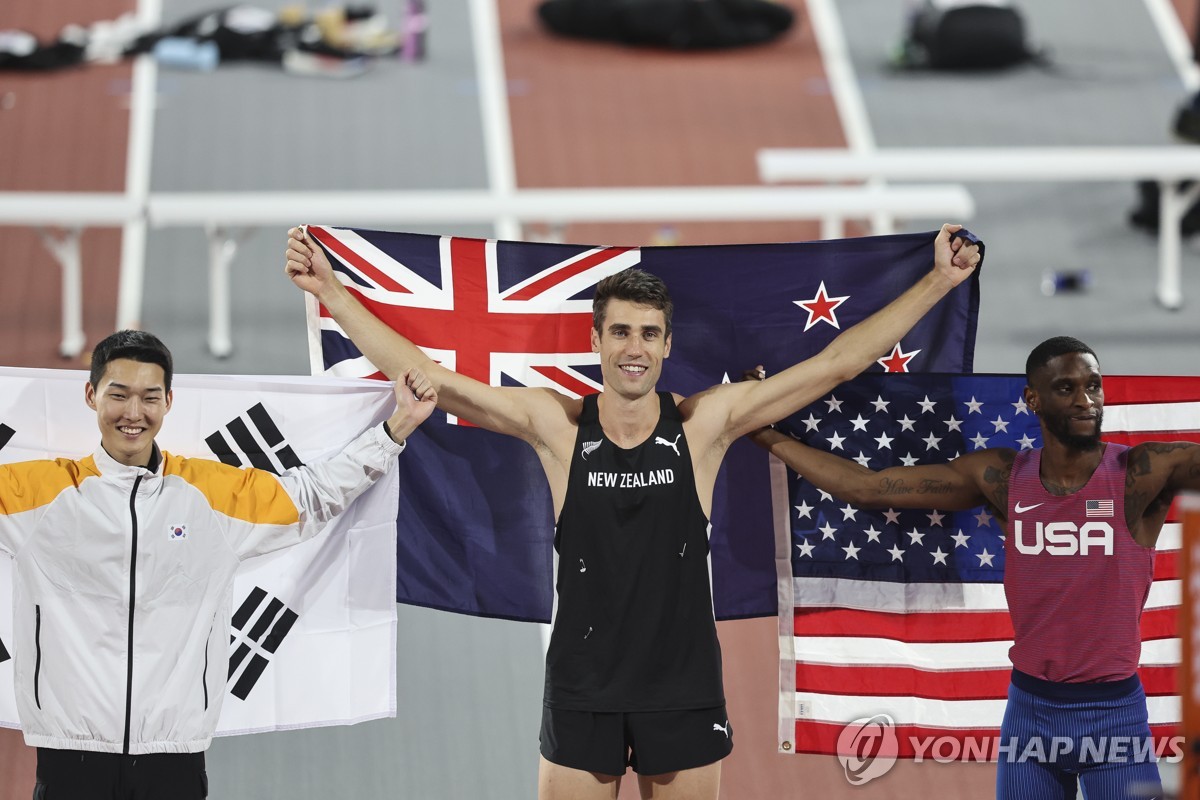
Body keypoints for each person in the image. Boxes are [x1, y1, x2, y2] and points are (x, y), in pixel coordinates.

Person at [285, 222, 981, 800]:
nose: (634, 349)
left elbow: (833, 364)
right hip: (583, 683)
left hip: (681, 683)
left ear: (668, 345)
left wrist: (940, 281)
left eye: (648, 334)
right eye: (620, 333)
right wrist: (333, 294)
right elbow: (432, 381)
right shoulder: (556, 426)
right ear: (595, 342)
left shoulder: (704, 425)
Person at [748, 335, 1200, 799]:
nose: (1086, 400)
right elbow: (869, 488)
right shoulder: (1003, 478)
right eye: (1066, 388)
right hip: (1031, 717)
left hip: (1114, 717)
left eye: (1094, 385)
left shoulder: (1141, 474)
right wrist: (763, 431)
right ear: (1033, 399)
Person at [0, 330, 436, 800]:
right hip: (70, 757)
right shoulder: (38, 494)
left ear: (168, 402)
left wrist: (396, 430)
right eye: (118, 394)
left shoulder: (209, 496)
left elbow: (309, 498)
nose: (133, 413)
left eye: (149, 397)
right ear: (91, 396)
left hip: (174, 759)